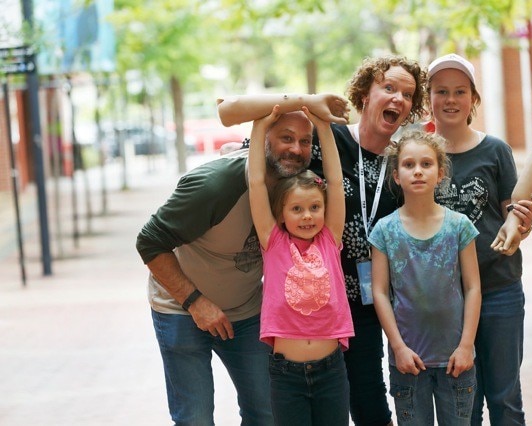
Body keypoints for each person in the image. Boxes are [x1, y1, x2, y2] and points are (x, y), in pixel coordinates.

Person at [217, 55, 427, 426]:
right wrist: (308, 102)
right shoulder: (321, 136)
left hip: (363, 307)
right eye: (388, 87)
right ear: (365, 93)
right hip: (300, 313)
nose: (397, 98)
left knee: (370, 408)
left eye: (407, 94)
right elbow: (232, 115)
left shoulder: (403, 162)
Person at [135, 104, 348, 425]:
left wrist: (318, 114)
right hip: (181, 308)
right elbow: (149, 241)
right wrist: (194, 302)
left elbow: (333, 176)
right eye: (285, 138)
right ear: (261, 141)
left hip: (245, 312)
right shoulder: (215, 185)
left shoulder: (298, 188)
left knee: (265, 414)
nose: (296, 148)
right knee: (195, 418)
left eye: (305, 141)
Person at [426, 53, 532, 425]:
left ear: (473, 99)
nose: (451, 99)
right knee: (462, 408)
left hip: (499, 289)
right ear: (429, 99)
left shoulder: (496, 151)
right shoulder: (419, 156)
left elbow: (513, 215)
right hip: (445, 300)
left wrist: (521, 225)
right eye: (442, 91)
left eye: (460, 91)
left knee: (505, 400)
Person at [248, 105, 354, 425]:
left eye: (314, 207)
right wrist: (259, 127)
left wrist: (323, 128)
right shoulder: (273, 241)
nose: (307, 216)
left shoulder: (329, 239)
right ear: (281, 214)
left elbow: (335, 183)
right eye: (296, 208)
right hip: (286, 375)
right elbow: (255, 183)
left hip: (331, 371)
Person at [369, 129, 481, 426]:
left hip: (455, 361)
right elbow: (379, 292)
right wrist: (398, 348)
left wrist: (466, 345)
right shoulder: (384, 231)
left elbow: (472, 287)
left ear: (440, 173)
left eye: (426, 164)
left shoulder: (459, 226)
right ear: (396, 175)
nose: (417, 171)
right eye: (408, 165)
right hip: (408, 364)